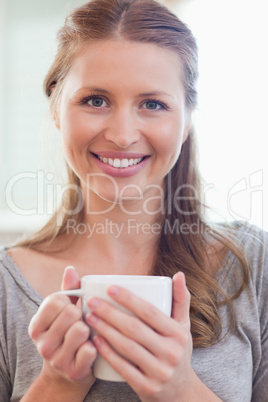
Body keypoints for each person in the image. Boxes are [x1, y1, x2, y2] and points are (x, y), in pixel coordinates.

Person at [0, 0, 267, 400]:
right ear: (56, 108)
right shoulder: (6, 288)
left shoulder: (253, 263)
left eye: (153, 104)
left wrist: (180, 389)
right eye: (95, 100)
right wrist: (58, 382)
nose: (123, 135)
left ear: (187, 121)